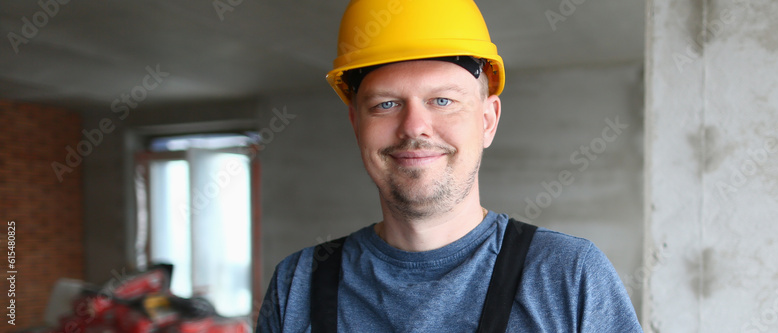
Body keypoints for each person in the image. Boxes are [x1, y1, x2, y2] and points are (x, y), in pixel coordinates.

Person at [254, 0, 642, 331]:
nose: (414, 126)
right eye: (386, 104)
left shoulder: (568, 276)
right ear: (357, 125)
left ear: (488, 121)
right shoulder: (299, 284)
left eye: (442, 101)